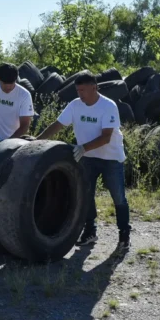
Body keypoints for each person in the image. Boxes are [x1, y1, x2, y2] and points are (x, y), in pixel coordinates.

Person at [37, 70, 131, 249]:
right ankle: (90, 232)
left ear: (94, 87)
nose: (80, 94)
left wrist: (83, 147)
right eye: (77, 90)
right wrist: (38, 139)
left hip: (111, 158)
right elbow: (58, 124)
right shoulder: (75, 105)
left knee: (118, 197)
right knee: (86, 195)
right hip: (87, 158)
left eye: (83, 90)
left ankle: (124, 235)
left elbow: (106, 137)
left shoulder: (108, 106)